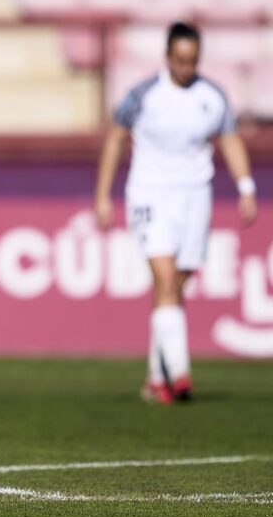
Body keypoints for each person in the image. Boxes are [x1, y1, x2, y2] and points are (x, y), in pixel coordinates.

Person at [95, 22, 256, 405]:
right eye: (180, 60)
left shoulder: (212, 96)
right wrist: (103, 195)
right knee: (165, 278)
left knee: (176, 285)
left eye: (192, 61)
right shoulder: (143, 95)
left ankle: (157, 377)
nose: (186, 68)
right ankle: (181, 372)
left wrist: (246, 187)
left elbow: (230, 140)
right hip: (150, 194)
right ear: (167, 57)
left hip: (195, 196)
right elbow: (116, 138)